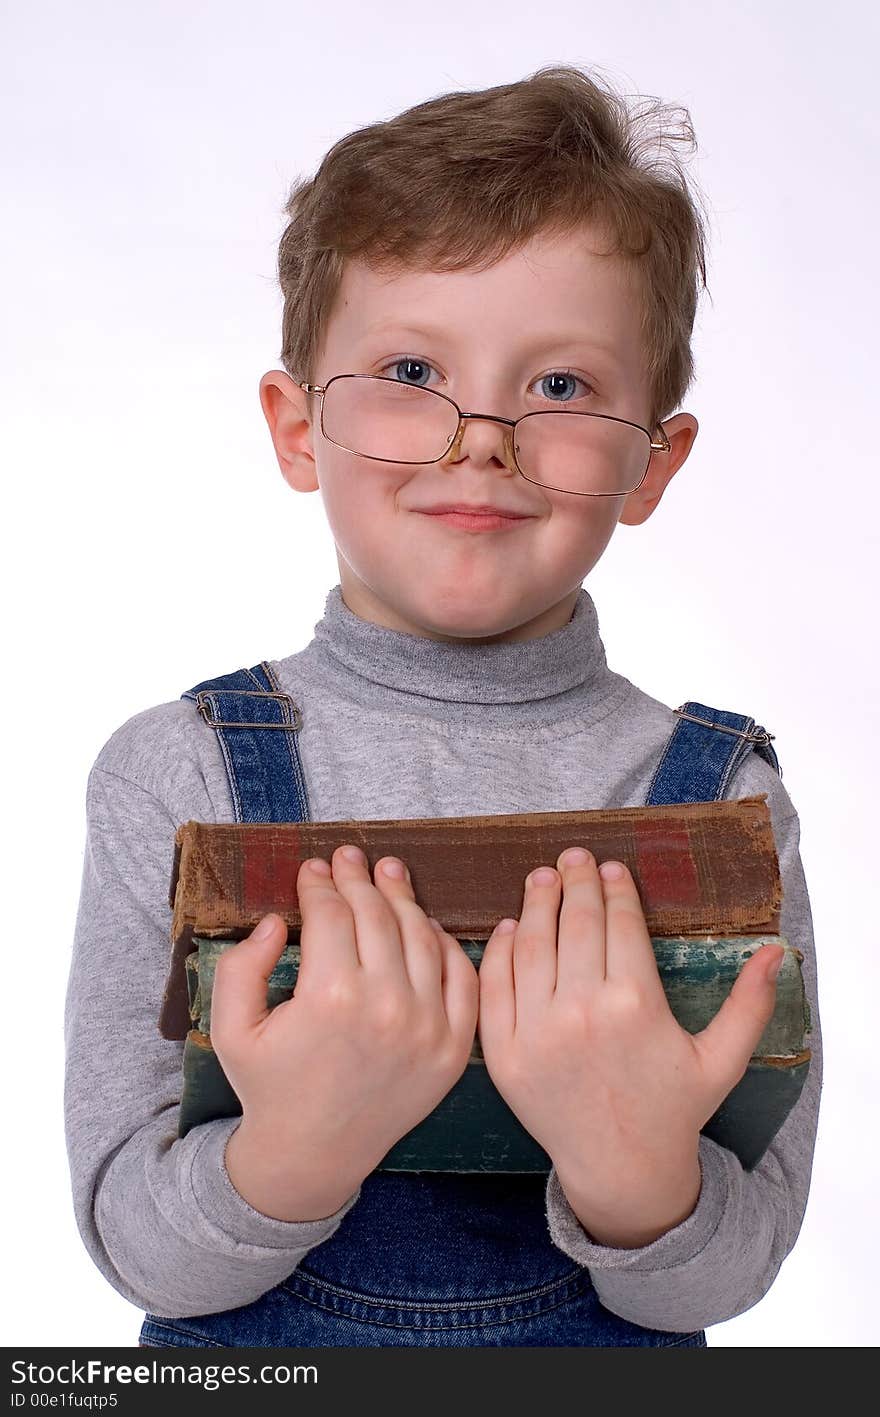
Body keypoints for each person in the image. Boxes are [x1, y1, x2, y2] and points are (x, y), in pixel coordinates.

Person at [64, 63, 822, 1347]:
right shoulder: (178, 773)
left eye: (564, 388)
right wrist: (301, 1145)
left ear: (654, 461)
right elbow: (138, 1246)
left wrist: (633, 1162)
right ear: (298, 428)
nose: (481, 438)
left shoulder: (722, 795)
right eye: (411, 366)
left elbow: (731, 1273)